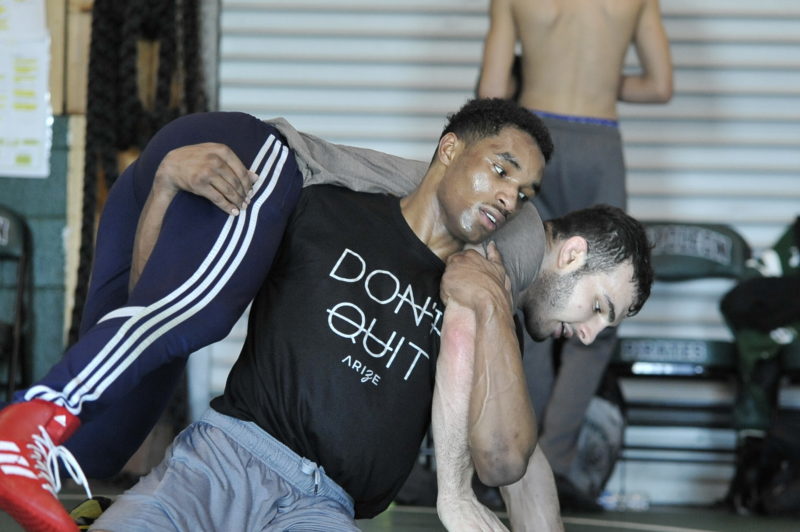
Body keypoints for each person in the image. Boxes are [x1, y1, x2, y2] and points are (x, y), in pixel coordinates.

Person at [0, 99, 556, 531]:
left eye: (525, 194)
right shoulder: (322, 207)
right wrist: (167, 186)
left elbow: (505, 458)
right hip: (216, 465)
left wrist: (490, 305)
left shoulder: (481, 301)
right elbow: (164, 303)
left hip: (322, 510)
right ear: (451, 149)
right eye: (502, 171)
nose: (510, 199)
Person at [477, 0, 673, 508]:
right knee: (599, 319)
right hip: (600, 143)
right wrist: (605, 82)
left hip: (536, 140)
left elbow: (490, 94)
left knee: (532, 294)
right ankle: (556, 462)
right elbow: (660, 86)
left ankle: (511, 462)